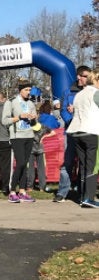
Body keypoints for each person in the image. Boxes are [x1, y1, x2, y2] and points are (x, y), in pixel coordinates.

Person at [54, 65, 91, 203]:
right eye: (86, 76)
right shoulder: (68, 92)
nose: (88, 79)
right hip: (71, 132)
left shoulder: (92, 91)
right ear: (79, 77)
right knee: (67, 162)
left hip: (87, 131)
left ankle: (83, 193)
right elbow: (63, 111)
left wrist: (76, 112)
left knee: (85, 163)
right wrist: (73, 120)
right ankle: (62, 192)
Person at [66, 67, 99, 208]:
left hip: (76, 132)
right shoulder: (96, 93)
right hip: (90, 131)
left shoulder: (79, 94)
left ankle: (82, 197)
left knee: (83, 165)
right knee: (91, 166)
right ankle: (89, 198)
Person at [2, 78, 38, 203]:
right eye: (26, 90)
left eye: (30, 90)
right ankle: (12, 191)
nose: (29, 92)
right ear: (20, 90)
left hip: (29, 135)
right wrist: (19, 117)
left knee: (25, 164)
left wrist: (34, 118)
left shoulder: (31, 103)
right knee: (21, 162)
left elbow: (34, 123)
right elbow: (5, 121)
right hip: (17, 136)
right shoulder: (11, 102)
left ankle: (22, 191)